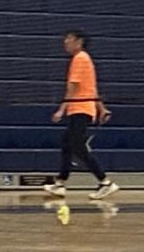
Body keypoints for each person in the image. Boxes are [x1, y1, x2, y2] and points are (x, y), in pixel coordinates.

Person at [43, 29, 119, 200]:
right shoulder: (85, 59)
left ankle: (105, 182)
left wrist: (61, 109)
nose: (65, 42)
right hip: (82, 108)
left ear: (79, 42)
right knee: (67, 143)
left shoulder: (79, 59)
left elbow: (73, 87)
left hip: (80, 109)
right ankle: (60, 183)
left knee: (78, 147)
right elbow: (92, 88)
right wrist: (101, 107)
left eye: (69, 39)